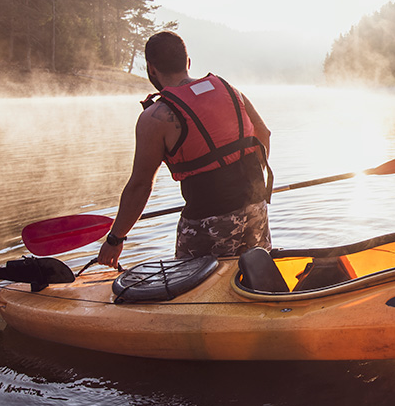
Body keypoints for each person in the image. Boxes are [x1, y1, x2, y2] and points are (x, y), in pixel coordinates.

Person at [97, 31, 273, 267]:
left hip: (207, 222)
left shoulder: (155, 117)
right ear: (188, 62)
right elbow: (264, 135)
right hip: (256, 209)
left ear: (151, 69)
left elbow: (140, 186)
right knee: (255, 278)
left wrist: (115, 238)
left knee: (194, 292)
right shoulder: (231, 91)